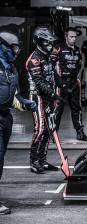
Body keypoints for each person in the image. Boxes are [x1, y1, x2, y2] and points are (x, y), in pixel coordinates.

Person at [0, 32, 36, 214]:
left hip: (6, 118)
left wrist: (25, 104)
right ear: (3, 46)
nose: (16, 51)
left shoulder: (12, 69)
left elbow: (13, 97)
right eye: (14, 48)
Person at [26, 27, 62, 174]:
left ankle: (42, 159)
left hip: (50, 96)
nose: (50, 46)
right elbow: (39, 83)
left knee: (49, 129)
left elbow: (53, 73)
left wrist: (63, 86)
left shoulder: (48, 56)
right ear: (40, 42)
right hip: (38, 97)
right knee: (40, 128)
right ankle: (33, 161)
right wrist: (54, 95)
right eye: (47, 43)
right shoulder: (34, 59)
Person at [51, 27, 87, 141]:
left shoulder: (78, 50)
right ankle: (54, 134)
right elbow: (51, 67)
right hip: (61, 83)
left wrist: (79, 76)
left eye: (75, 37)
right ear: (66, 36)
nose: (73, 39)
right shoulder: (58, 48)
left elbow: (81, 64)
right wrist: (59, 83)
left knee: (77, 108)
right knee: (58, 109)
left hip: (74, 83)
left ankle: (80, 132)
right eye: (71, 36)